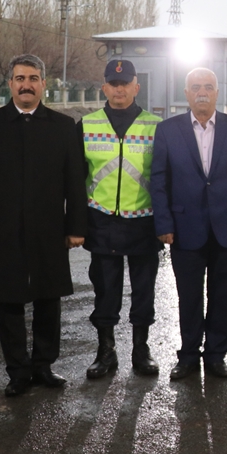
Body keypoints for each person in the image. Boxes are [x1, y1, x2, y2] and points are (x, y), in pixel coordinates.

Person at [0, 54, 87, 397]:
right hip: (2, 230)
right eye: (20, 78)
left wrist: (76, 226)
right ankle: (17, 370)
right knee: (9, 301)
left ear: (44, 84)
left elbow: (76, 182)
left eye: (33, 78)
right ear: (10, 84)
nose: (26, 84)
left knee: (48, 299)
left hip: (49, 229)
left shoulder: (63, 126)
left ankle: (44, 364)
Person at [153, 68, 227, 380]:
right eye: (195, 87)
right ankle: (187, 356)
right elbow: (159, 180)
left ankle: (216, 356)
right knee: (190, 297)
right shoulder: (168, 130)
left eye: (208, 86)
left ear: (217, 92)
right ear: (186, 93)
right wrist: (164, 223)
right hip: (185, 229)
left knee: (223, 296)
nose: (202, 92)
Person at [79, 60, 163, 380]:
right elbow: (76, 178)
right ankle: (106, 352)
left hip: (143, 221)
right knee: (105, 291)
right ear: (104, 88)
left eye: (125, 83)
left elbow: (163, 178)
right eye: (113, 83)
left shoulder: (156, 126)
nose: (119, 89)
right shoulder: (87, 125)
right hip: (102, 222)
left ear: (136, 87)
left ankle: (141, 350)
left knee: (144, 291)